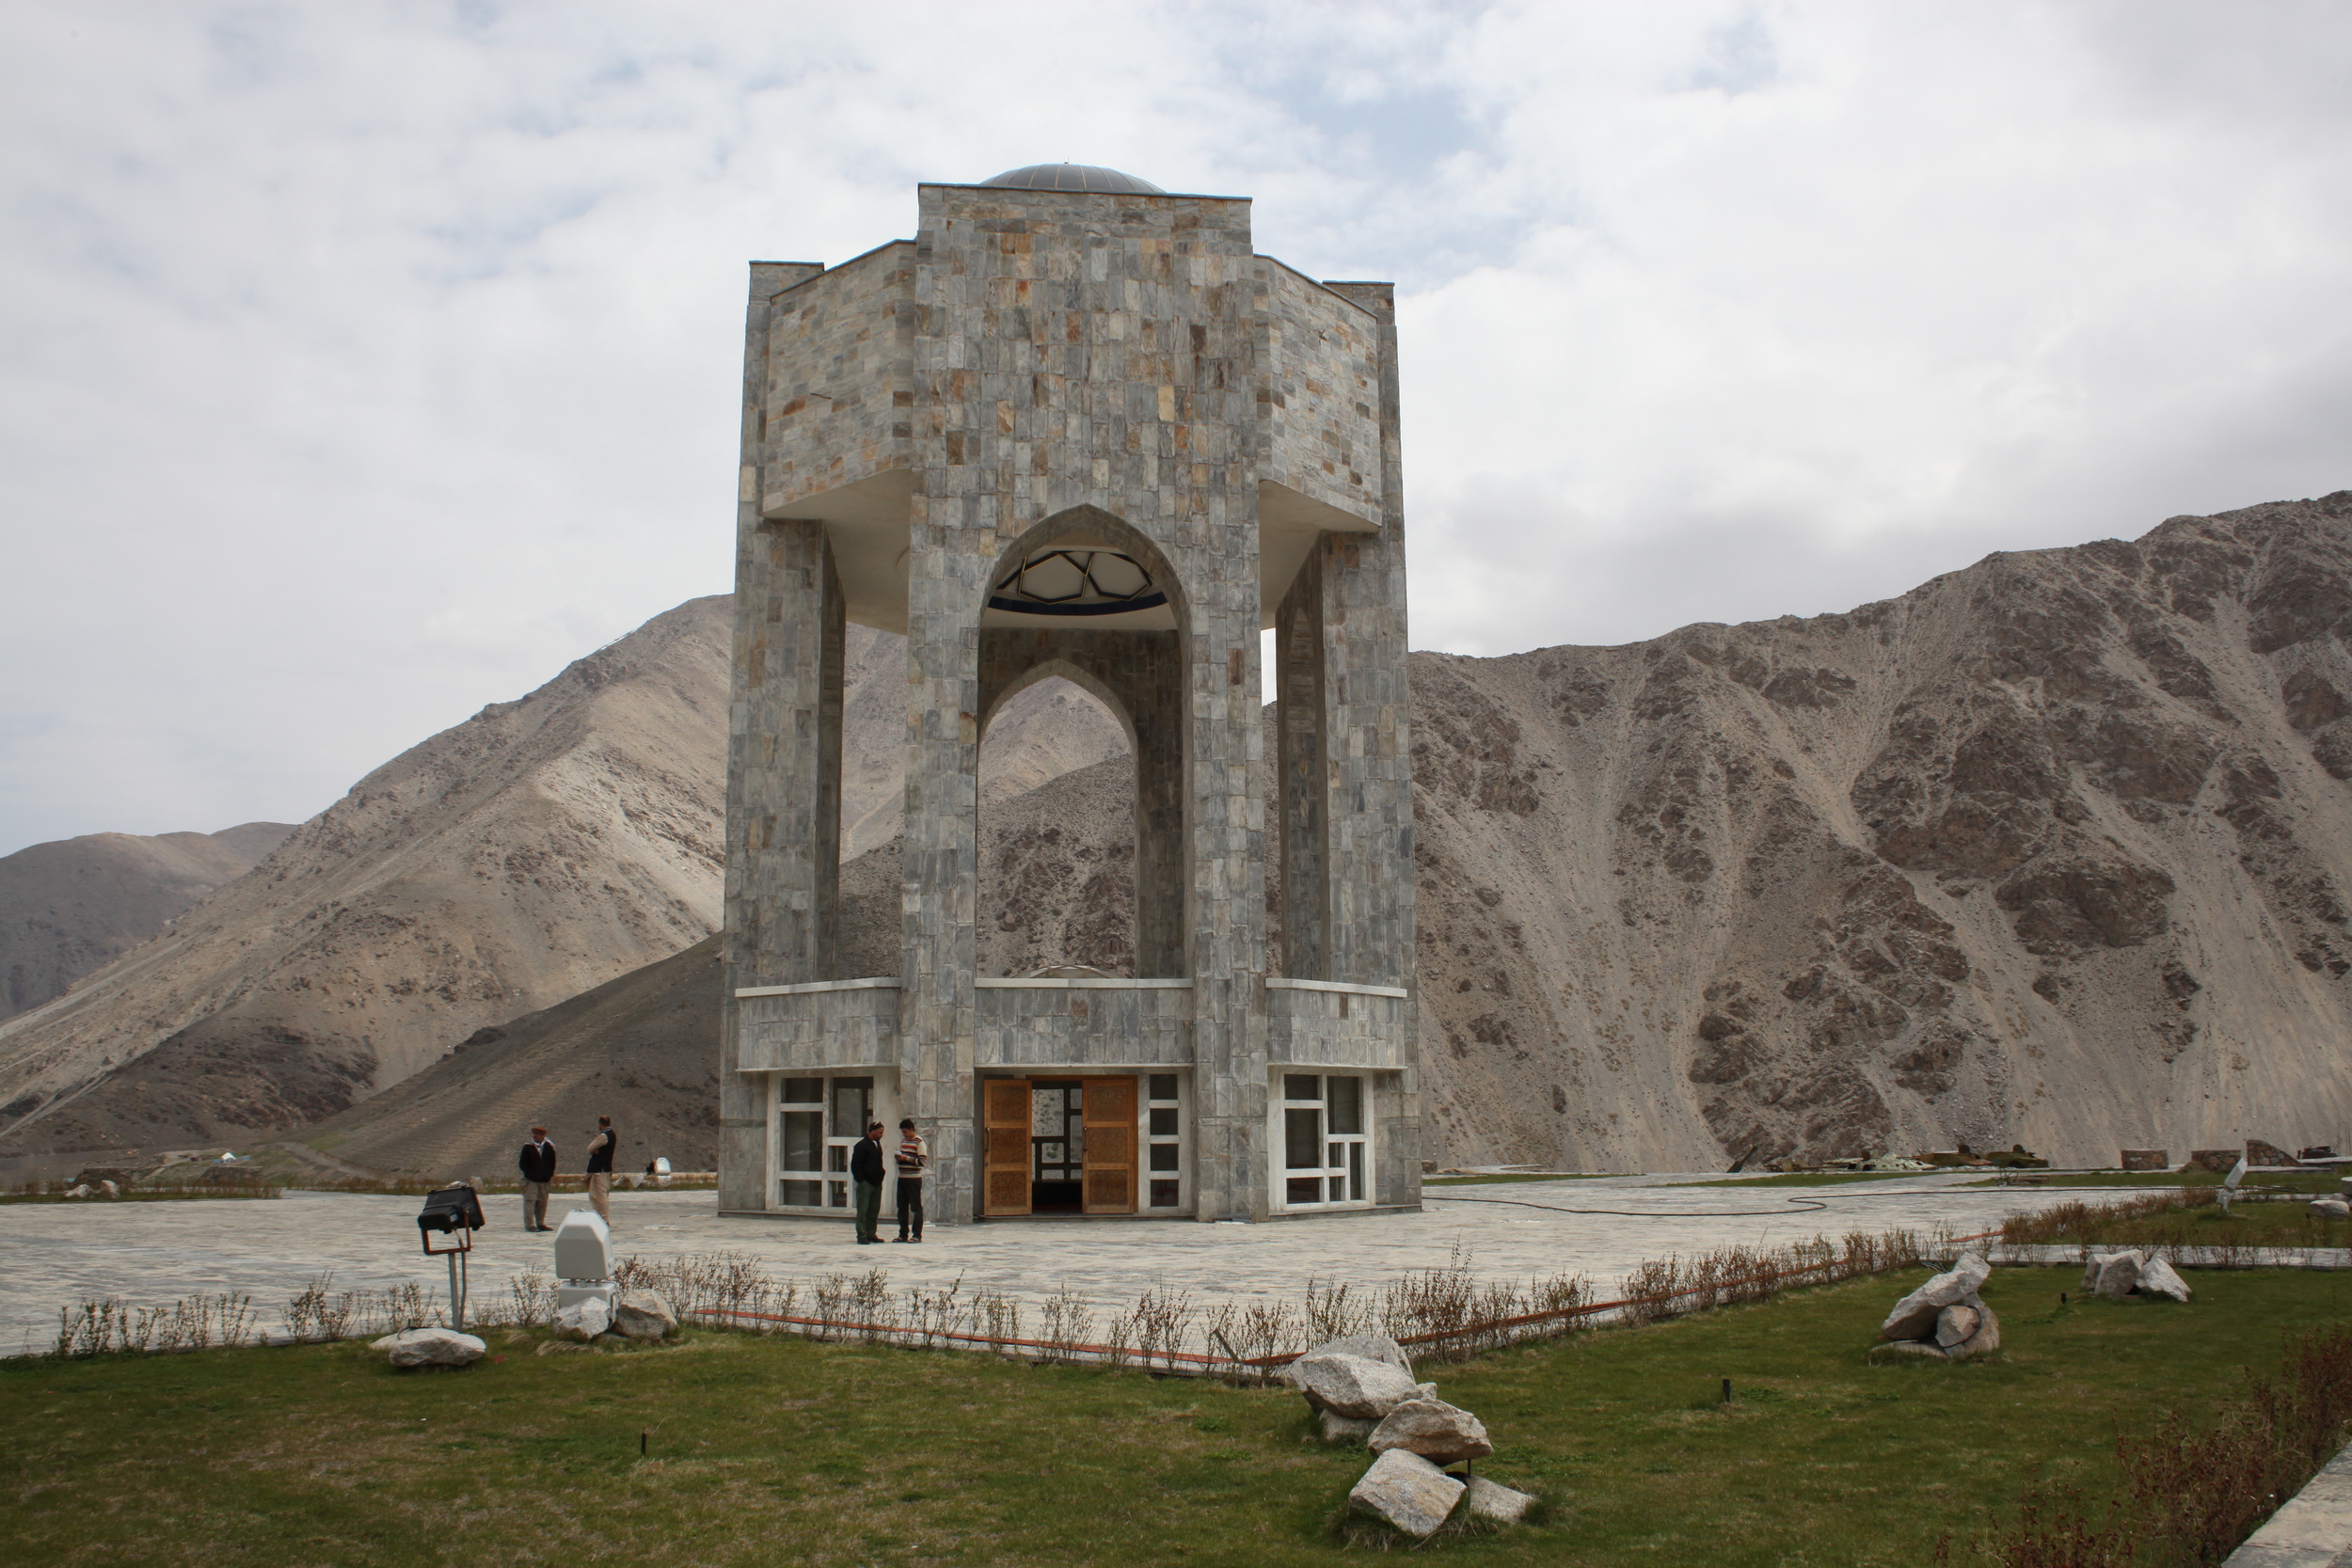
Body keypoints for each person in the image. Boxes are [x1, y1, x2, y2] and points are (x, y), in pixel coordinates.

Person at [892, 1117, 929, 1243]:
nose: (904, 1134)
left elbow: (922, 1162)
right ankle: (903, 1234)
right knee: (902, 1207)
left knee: (915, 1207)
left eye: (906, 1132)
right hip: (902, 1178)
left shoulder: (919, 1142)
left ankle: (917, 1235)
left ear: (912, 1129)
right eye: (903, 1132)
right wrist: (899, 1158)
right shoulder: (904, 1142)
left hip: (913, 1179)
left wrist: (906, 1158)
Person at [850, 1119, 885, 1243]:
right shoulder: (862, 1145)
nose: (882, 1135)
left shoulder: (877, 1144)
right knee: (863, 1210)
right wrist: (861, 1179)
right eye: (880, 1132)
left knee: (874, 1210)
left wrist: (881, 1175)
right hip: (866, 1183)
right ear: (873, 1131)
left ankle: (871, 1233)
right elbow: (855, 1164)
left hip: (876, 1182)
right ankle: (861, 1234)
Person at [516, 1125, 558, 1232]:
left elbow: (553, 1163)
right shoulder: (527, 1147)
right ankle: (530, 1225)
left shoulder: (549, 1147)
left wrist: (548, 1175)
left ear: (543, 1135)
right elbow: (522, 1164)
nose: (535, 1136)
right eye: (534, 1134)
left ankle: (540, 1223)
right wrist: (530, 1174)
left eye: (538, 1134)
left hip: (544, 1181)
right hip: (531, 1181)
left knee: (542, 1203)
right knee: (530, 1202)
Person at [585, 1115, 617, 1223]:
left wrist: (596, 1150)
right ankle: (601, 1217)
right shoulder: (612, 1134)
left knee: (600, 1194)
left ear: (600, 1124)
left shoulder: (604, 1135)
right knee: (599, 1194)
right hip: (605, 1168)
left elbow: (590, 1148)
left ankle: (604, 1219)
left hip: (600, 1170)